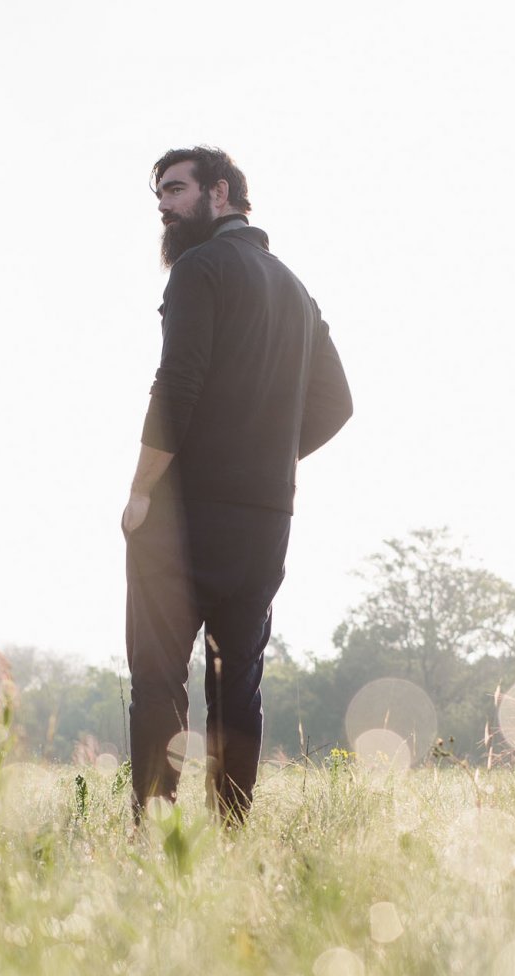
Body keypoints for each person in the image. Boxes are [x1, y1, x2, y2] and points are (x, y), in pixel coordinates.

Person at [121, 145, 353, 824]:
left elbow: (177, 383)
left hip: (181, 514)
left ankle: (157, 836)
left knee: (160, 679)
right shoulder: (294, 288)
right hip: (263, 517)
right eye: (159, 195)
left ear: (219, 192)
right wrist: (264, 460)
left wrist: (141, 492)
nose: (163, 206)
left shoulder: (200, 268)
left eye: (175, 190)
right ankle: (230, 840)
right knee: (238, 684)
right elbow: (336, 403)